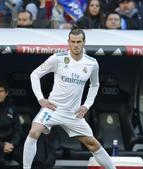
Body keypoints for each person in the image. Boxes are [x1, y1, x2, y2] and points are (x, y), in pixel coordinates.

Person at [22, 26, 116, 169]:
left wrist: (87, 105)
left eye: (79, 42)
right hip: (53, 109)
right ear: (68, 42)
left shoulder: (91, 63)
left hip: (73, 113)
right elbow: (34, 75)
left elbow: (95, 85)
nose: (76, 45)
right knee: (34, 131)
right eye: (73, 42)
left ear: (84, 42)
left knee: (93, 144)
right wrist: (41, 99)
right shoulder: (57, 58)